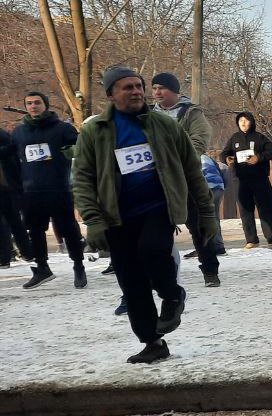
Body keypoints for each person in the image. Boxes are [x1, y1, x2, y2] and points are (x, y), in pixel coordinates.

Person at [72, 66, 214, 364]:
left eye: (139, 86)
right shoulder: (95, 131)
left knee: (153, 250)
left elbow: (192, 169)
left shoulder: (164, 125)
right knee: (132, 283)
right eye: (128, 87)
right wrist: (93, 220)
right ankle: (153, 342)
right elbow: (82, 178)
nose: (137, 91)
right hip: (117, 218)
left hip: (158, 209)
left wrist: (207, 213)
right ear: (111, 95)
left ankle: (172, 295)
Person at [151, 72, 221, 287]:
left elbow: (199, 141)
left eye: (162, 88)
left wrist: (173, 157)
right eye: (154, 88)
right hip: (156, 180)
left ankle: (210, 269)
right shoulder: (147, 115)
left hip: (187, 178)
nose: (157, 92)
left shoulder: (191, 113)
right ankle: (162, 274)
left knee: (199, 226)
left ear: (174, 91)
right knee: (155, 229)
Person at [11, 90, 86, 289]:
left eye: (37, 102)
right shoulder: (19, 133)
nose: (33, 106)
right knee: (35, 231)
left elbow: (81, 150)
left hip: (58, 188)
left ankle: (79, 266)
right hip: (31, 191)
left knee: (69, 229)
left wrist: (71, 154)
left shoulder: (63, 129)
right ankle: (43, 268)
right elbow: (12, 158)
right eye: (29, 103)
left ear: (45, 104)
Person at [221, 111, 272, 248]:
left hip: (260, 179)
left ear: (251, 122)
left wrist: (258, 157)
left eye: (246, 120)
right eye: (240, 120)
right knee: (245, 210)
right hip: (240, 180)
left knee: (265, 208)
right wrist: (226, 158)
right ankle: (251, 240)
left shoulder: (260, 137)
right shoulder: (234, 138)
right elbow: (224, 153)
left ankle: (271, 239)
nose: (243, 123)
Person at [0, 126, 34, 268]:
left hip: (8, 186)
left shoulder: (3, 136)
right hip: (9, 186)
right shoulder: (4, 135)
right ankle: (25, 253)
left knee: (13, 221)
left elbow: (11, 154)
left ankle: (6, 257)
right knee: (13, 221)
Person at [199, 154, 227, 255]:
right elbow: (223, 170)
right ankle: (219, 247)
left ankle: (206, 247)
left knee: (202, 218)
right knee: (214, 217)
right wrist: (223, 186)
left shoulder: (191, 157)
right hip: (218, 187)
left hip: (206, 188)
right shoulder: (208, 158)